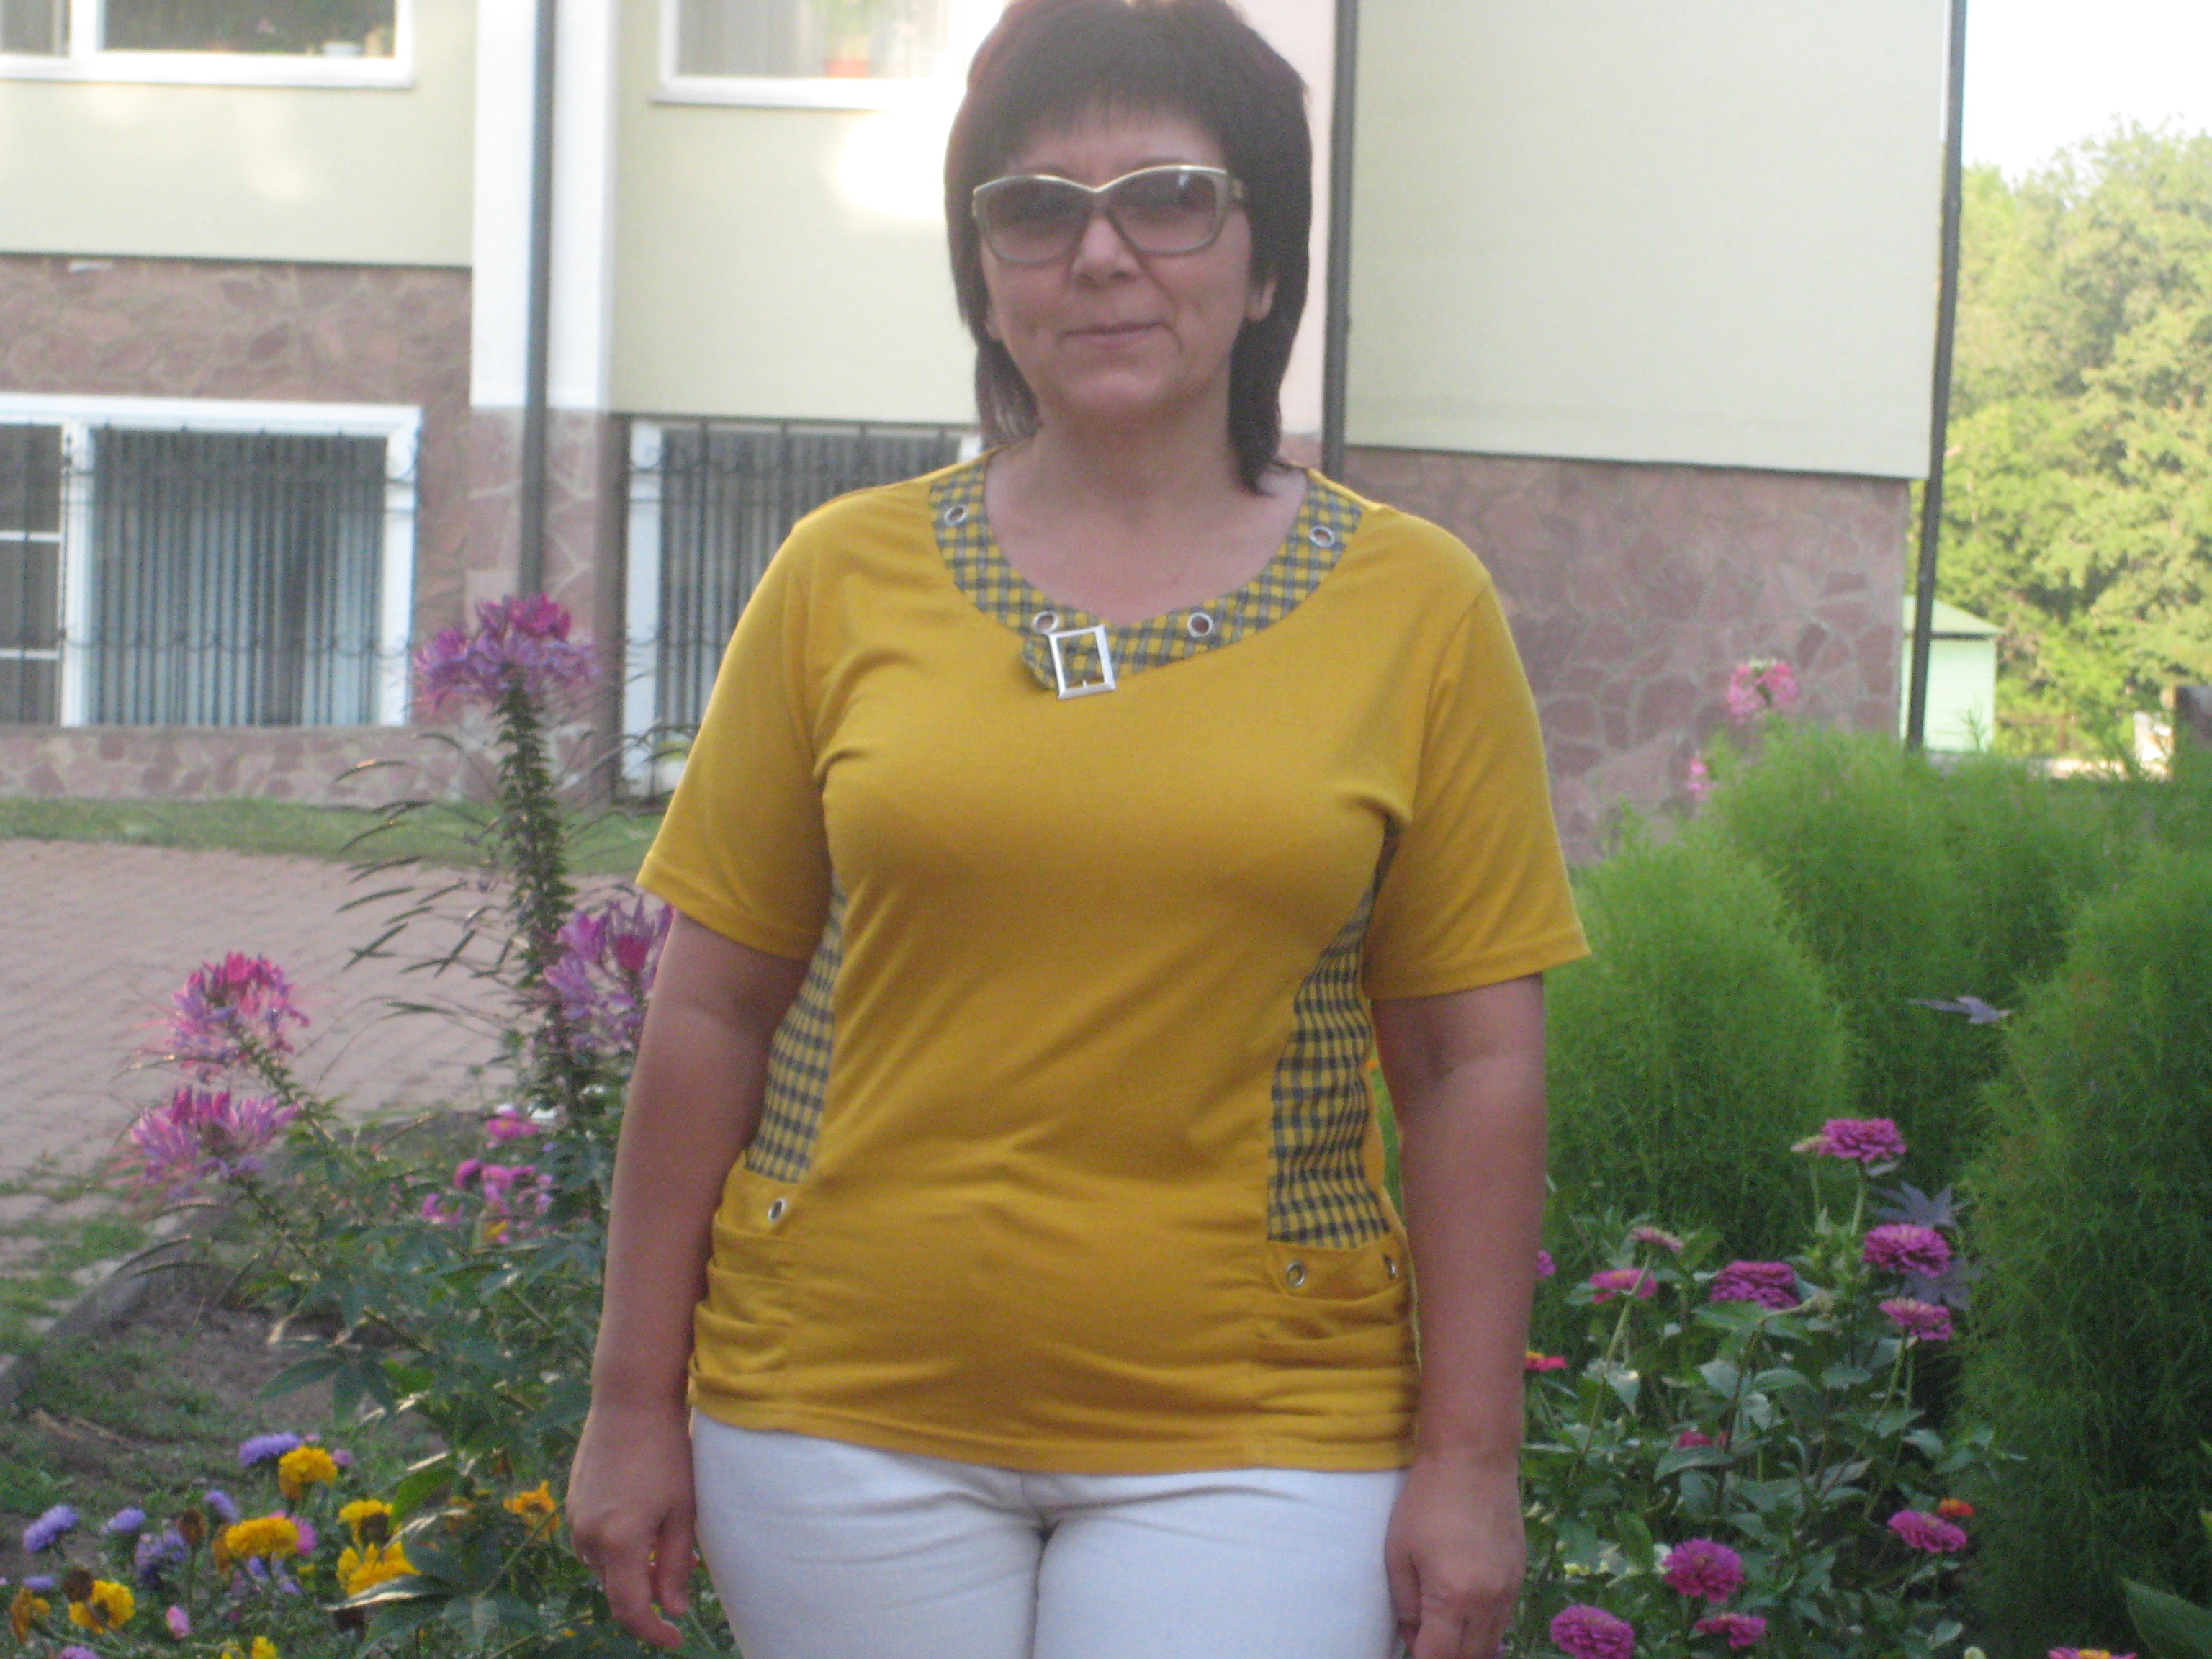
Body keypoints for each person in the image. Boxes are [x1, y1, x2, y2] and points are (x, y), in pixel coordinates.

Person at [565, 1, 1586, 1655]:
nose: (1101, 253)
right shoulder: (839, 577)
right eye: (1036, 209)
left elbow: (1471, 1063)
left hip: (1262, 1431)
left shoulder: (1418, 608)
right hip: (833, 1412)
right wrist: (629, 1403)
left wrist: (1472, 1463)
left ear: (1266, 264)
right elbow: (712, 1009)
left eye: (1170, 198)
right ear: (985, 277)